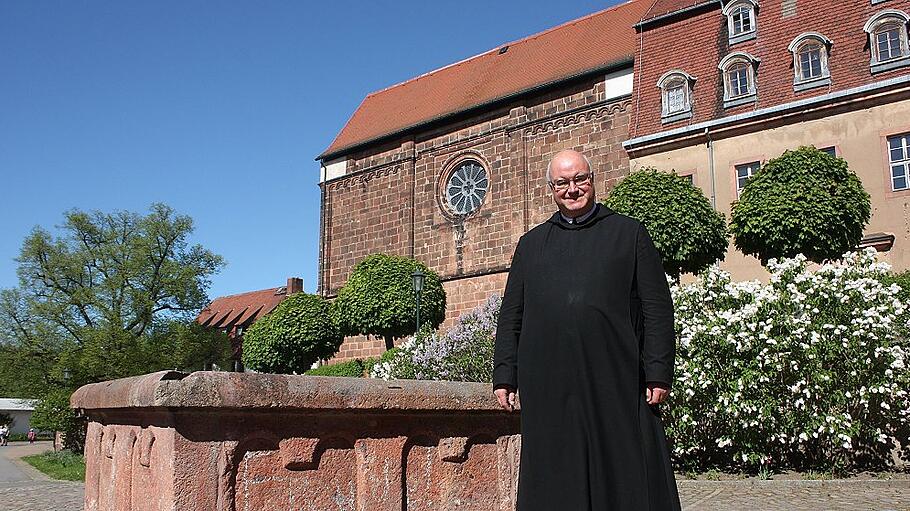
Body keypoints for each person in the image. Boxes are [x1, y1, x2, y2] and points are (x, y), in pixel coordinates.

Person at [493, 149, 680, 510]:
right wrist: (505, 374)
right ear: (551, 188)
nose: (572, 188)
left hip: (615, 377)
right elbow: (511, 313)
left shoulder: (628, 233)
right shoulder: (531, 245)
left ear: (592, 181)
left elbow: (657, 308)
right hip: (549, 382)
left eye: (580, 179)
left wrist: (658, 370)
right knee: (555, 474)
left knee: (621, 470)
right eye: (562, 182)